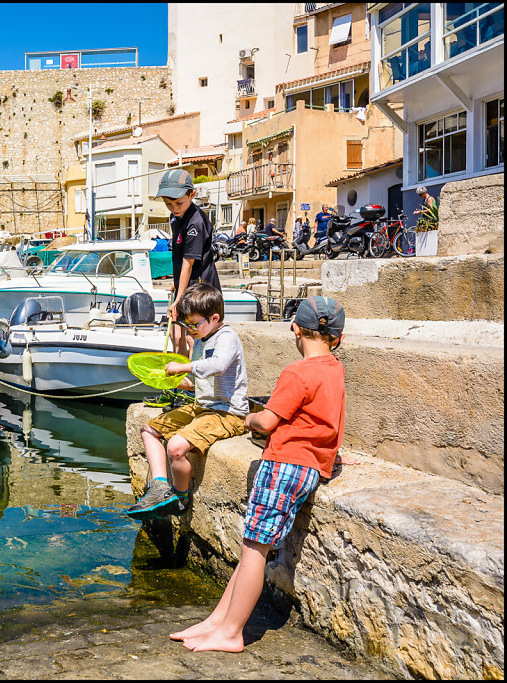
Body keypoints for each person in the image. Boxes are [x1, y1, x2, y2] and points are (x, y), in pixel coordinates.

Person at [171, 296, 355, 653]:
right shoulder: (335, 368)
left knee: (253, 550)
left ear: (295, 328)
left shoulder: (296, 372)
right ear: (339, 339)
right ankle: (218, 620)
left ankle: (232, 632)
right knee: (253, 548)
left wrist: (250, 419)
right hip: (311, 467)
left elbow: (268, 421)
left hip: (284, 466)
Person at [126, 283, 248, 520]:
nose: (190, 330)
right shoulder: (202, 340)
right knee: (149, 429)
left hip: (227, 413)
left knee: (175, 447)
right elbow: (198, 380)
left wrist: (184, 365)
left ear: (214, 318)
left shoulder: (227, 338)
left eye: (194, 324)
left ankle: (180, 498)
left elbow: (218, 365)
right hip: (201, 407)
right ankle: (160, 486)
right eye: (187, 325)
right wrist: (174, 381)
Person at [155, 169, 221, 358]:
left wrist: (178, 299)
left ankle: (191, 377)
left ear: (192, 194)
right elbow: (179, 253)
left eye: (178, 203)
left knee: (194, 336)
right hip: (185, 285)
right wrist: (177, 282)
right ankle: (180, 376)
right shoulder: (176, 217)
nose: (174, 208)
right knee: (176, 335)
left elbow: (188, 262)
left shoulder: (195, 223)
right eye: (168, 204)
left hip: (200, 288)